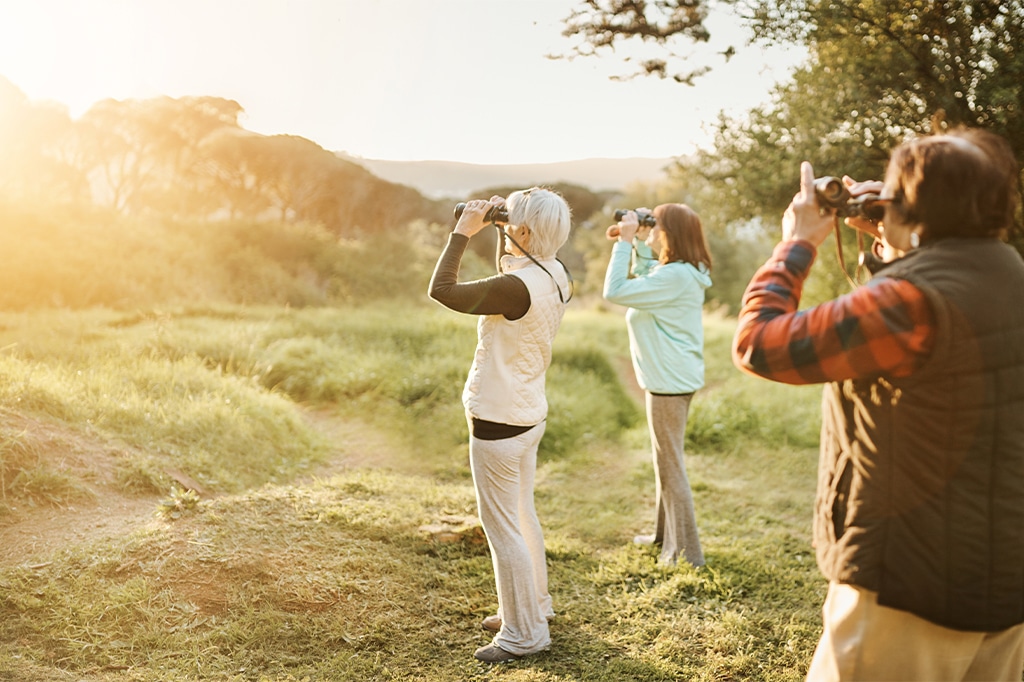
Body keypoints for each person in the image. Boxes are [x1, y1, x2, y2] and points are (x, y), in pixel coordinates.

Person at [732, 127, 1024, 681]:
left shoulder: (908, 302)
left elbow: (760, 345)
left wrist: (797, 243)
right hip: (1006, 580)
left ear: (911, 202)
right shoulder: (1009, 272)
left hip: (908, 584)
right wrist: (898, 241)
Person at [428, 187, 572, 664]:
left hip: (498, 416)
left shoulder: (515, 289)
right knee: (522, 513)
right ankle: (534, 607)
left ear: (525, 231)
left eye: (512, 222)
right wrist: (498, 227)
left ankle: (523, 635)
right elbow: (508, 274)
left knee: (502, 525)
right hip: (528, 412)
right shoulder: (555, 273)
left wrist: (462, 232)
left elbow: (442, 290)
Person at [603, 204, 712, 567]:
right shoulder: (679, 271)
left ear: (669, 233)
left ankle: (686, 555)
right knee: (664, 462)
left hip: (669, 382)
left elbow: (616, 290)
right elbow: (647, 269)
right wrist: (634, 242)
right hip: (673, 378)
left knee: (670, 466)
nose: (651, 231)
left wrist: (627, 241)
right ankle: (663, 537)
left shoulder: (676, 277)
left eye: (655, 226)